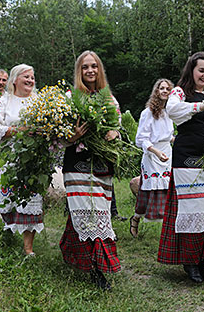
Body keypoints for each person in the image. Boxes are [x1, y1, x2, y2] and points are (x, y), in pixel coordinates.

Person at [157, 52, 204, 283]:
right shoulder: (180, 92)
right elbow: (173, 112)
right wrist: (203, 105)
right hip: (187, 160)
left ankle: (203, 262)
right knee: (193, 212)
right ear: (191, 70)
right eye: (201, 70)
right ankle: (190, 263)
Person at [59, 51, 121, 290]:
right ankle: (96, 269)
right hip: (76, 163)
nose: (90, 71)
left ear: (99, 69)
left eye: (94, 66)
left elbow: (117, 128)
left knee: (99, 214)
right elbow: (58, 136)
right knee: (86, 212)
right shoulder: (70, 97)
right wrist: (71, 136)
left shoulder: (109, 99)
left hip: (102, 165)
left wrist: (114, 133)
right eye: (85, 67)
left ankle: (72, 252)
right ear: (79, 71)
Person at [0, 64, 43, 257]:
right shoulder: (4, 102)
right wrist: (18, 131)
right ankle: (8, 234)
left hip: (33, 160)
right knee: (9, 200)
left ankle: (28, 248)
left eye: (32, 77)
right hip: (9, 159)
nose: (30, 80)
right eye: (26, 76)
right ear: (15, 80)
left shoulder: (39, 102)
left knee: (32, 199)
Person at [129, 78, 174, 238]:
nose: (164, 91)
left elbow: (168, 135)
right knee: (147, 193)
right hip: (152, 155)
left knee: (168, 191)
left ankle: (168, 230)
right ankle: (135, 219)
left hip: (167, 153)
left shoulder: (170, 112)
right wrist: (155, 152)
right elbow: (141, 138)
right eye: (161, 88)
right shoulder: (147, 113)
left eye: (167, 89)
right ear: (156, 91)